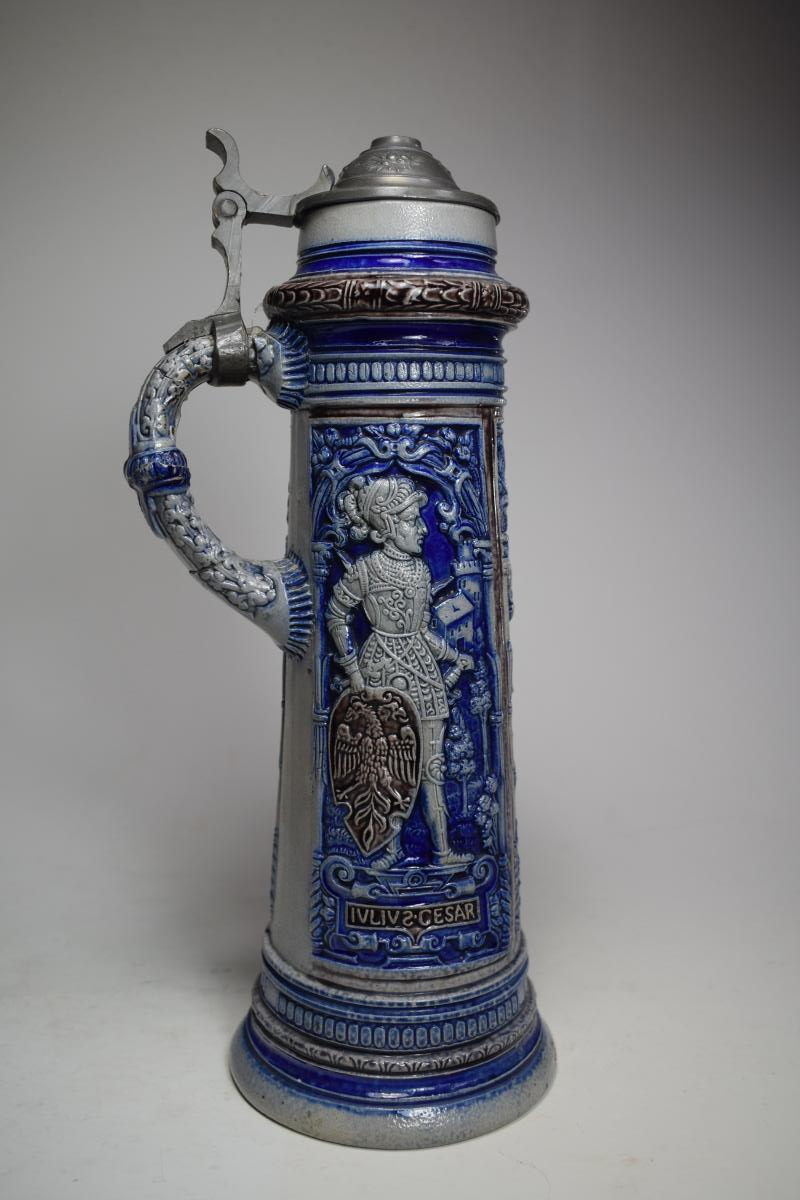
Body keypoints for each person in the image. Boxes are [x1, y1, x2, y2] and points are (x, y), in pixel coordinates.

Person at [326, 475, 473, 869]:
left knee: (433, 771)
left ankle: (442, 852)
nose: (422, 529)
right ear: (387, 527)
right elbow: (336, 615)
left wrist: (453, 656)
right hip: (378, 671)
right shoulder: (365, 570)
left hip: (422, 674)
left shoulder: (422, 572)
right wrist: (353, 671)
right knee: (387, 771)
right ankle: (388, 851)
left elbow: (422, 631)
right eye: (411, 521)